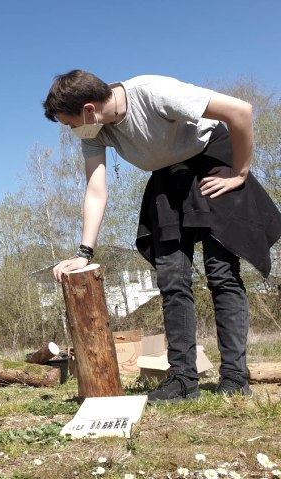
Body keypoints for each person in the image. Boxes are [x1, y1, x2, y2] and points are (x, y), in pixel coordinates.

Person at [43, 70, 281, 404]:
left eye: (70, 124)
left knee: (221, 272)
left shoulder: (153, 93)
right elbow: (96, 190)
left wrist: (240, 172)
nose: (72, 132)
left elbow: (240, 110)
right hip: (166, 176)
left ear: (88, 109)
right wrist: (85, 251)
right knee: (171, 277)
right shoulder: (95, 133)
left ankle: (235, 379)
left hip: (213, 163)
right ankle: (183, 381)